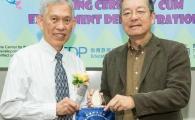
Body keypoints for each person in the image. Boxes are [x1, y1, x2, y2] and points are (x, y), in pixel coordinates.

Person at [87, 0, 191, 119]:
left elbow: (179, 94)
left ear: (152, 17)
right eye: (127, 13)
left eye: (140, 11)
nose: (133, 17)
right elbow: (108, 96)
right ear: (121, 20)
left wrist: (133, 101)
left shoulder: (175, 51)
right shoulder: (111, 57)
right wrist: (99, 100)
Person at [0, 0, 86, 119]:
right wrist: (53, 109)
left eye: (66, 20)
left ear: (73, 24)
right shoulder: (23, 59)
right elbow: (8, 108)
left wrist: (91, 104)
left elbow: (81, 103)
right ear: (40, 22)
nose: (61, 27)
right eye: (54, 19)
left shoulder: (77, 62)